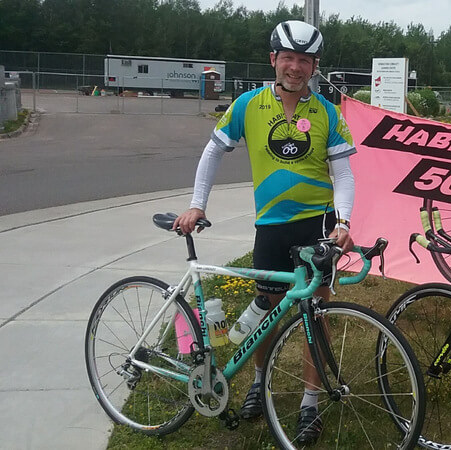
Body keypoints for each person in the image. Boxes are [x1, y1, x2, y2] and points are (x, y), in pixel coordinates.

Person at [174, 20, 356, 446]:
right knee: (266, 312)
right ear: (274, 59)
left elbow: (344, 174)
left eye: (305, 60)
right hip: (271, 229)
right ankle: (259, 379)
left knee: (317, 316)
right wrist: (198, 203)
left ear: (314, 66)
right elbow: (213, 151)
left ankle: (310, 402)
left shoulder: (328, 112)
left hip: (318, 227)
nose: (296, 67)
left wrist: (344, 222)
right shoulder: (248, 105)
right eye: (288, 58)